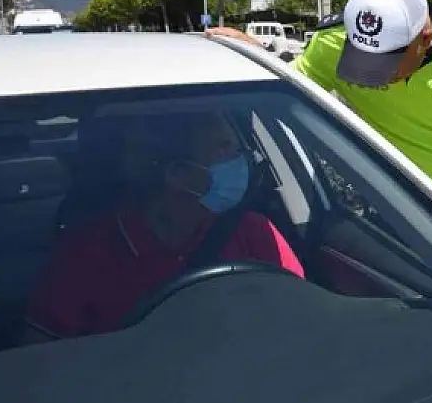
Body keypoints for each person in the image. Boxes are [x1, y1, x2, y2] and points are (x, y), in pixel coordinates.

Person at [207, 0, 432, 259]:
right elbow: (290, 88)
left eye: (385, 65)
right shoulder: (332, 44)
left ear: (423, 40)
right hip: (394, 201)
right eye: (363, 61)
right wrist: (257, 55)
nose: (374, 76)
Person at [26, 111, 305, 341]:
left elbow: (302, 322)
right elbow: (41, 357)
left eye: (238, 146)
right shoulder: (87, 253)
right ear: (178, 175)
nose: (244, 158)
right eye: (223, 149)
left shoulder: (255, 233)